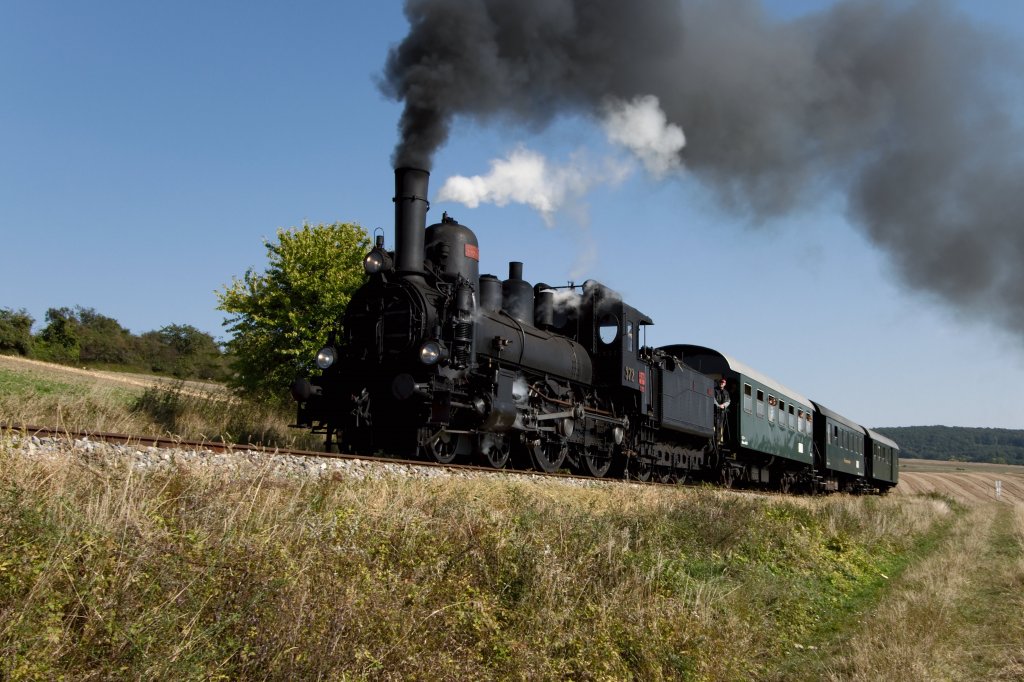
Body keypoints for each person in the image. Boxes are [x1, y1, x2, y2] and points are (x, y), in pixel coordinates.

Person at [714, 377, 731, 444]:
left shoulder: (726, 392)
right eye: (721, 382)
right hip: (715, 411)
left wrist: (724, 405)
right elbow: (713, 398)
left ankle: (720, 439)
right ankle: (715, 438)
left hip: (722, 412)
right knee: (715, 424)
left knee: (721, 425)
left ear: (725, 384)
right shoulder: (715, 390)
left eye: (723, 382)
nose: (721, 383)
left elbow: (728, 401)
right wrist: (718, 405)